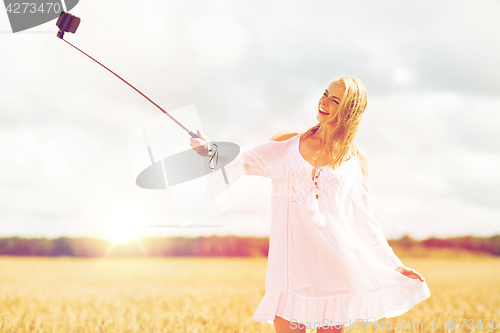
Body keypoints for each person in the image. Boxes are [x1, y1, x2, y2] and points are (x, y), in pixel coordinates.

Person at [190, 76, 430, 333]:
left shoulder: (357, 160)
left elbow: (365, 221)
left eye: (335, 100)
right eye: (325, 93)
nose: (324, 102)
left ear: (349, 111)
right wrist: (210, 149)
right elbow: (243, 158)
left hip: (337, 269)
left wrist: (394, 265)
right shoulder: (288, 144)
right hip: (291, 268)